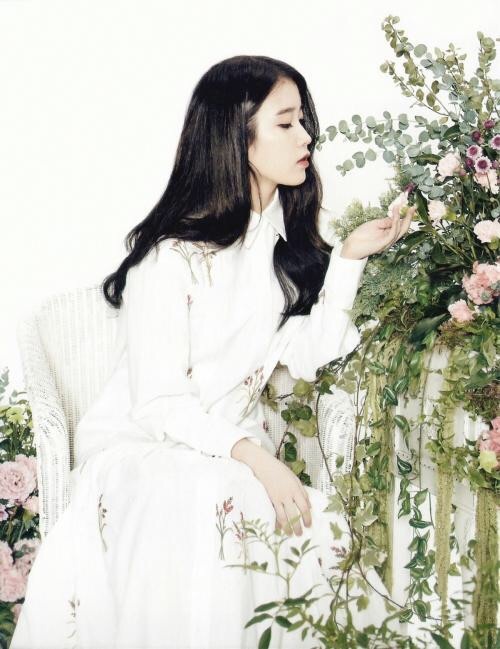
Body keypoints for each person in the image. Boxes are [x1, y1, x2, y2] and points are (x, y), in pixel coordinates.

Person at [11, 55, 415, 648]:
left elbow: (311, 355)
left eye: (303, 121)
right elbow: (158, 403)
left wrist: (349, 259)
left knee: (301, 522)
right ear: (237, 137)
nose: (306, 137)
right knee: (211, 499)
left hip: (225, 460)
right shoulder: (169, 258)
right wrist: (257, 458)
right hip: (143, 454)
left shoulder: (279, 250)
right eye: (286, 123)